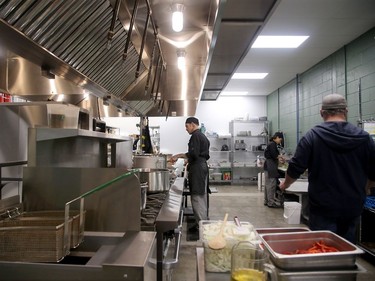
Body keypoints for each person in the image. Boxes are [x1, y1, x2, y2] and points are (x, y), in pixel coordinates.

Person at [280, 93, 375, 243]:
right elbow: (373, 171)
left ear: (321, 113)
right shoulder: (365, 138)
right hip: (353, 204)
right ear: (346, 111)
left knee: (322, 248)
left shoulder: (312, 136)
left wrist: (286, 184)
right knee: (347, 248)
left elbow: (295, 167)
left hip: (323, 205)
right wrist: (366, 188)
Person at [171, 117, 210, 232]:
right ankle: (202, 223)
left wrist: (178, 156)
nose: (186, 129)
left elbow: (193, 154)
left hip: (197, 169)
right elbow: (196, 154)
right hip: (201, 167)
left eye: (187, 126)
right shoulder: (202, 136)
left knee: (197, 197)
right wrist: (182, 157)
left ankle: (201, 226)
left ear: (193, 125)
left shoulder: (196, 136)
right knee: (201, 197)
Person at [264, 132, 284, 208]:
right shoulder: (272, 144)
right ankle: (271, 203)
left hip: (268, 165)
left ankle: (267, 201)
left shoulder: (271, 144)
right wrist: (281, 157)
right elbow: (274, 155)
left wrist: (279, 158)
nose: (280, 141)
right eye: (280, 139)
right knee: (271, 185)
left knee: (268, 185)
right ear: (277, 137)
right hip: (270, 166)